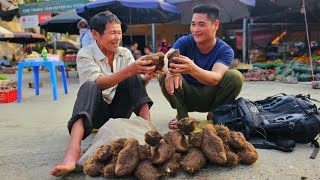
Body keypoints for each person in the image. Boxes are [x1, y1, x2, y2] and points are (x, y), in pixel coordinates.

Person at [50, 11, 162, 177]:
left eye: (119, 33)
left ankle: (150, 134)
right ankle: (72, 154)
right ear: (95, 34)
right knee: (89, 86)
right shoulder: (85, 54)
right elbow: (99, 83)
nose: (117, 37)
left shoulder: (125, 53)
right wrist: (130, 70)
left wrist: (146, 78)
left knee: (132, 76)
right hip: (96, 115)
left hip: (119, 111)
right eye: (112, 33)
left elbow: (133, 85)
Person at [159, 4, 244, 129]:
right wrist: (170, 72)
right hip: (186, 93)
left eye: (201, 24)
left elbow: (215, 77)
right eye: (193, 24)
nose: (195, 29)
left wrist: (192, 69)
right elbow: (166, 58)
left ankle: (215, 114)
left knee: (235, 76)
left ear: (215, 25)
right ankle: (182, 117)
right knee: (164, 75)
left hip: (211, 96)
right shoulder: (185, 41)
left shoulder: (225, 50)